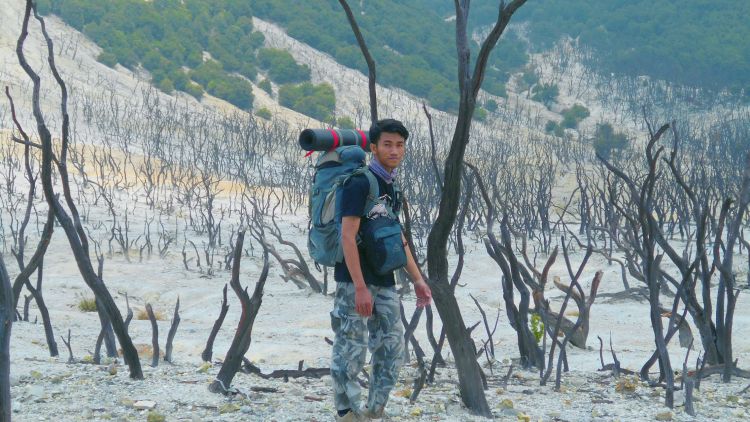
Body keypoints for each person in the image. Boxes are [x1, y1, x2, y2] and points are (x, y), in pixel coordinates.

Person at [330, 118, 432, 421]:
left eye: (399, 145)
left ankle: (375, 411)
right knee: (351, 347)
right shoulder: (359, 183)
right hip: (354, 280)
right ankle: (347, 412)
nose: (394, 150)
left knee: (391, 347)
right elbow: (347, 235)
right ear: (373, 147)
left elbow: (397, 235)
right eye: (387, 144)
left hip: (385, 278)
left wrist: (417, 278)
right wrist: (360, 286)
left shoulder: (392, 185)